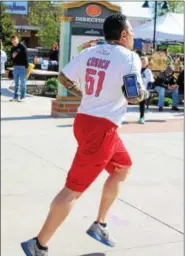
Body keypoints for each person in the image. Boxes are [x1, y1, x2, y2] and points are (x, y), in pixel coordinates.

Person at [21, 14, 146, 256]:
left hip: (85, 121)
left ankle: (100, 224)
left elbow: (63, 77)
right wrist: (140, 95)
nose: (133, 36)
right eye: (131, 33)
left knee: (123, 167)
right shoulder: (130, 58)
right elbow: (133, 95)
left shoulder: (91, 52)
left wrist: (85, 95)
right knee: (73, 189)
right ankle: (39, 244)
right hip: (103, 129)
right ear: (123, 35)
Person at [9, 35, 28, 102]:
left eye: (15, 39)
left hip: (22, 67)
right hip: (15, 67)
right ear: (11, 41)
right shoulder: (12, 48)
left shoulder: (22, 46)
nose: (14, 41)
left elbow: (26, 57)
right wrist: (13, 56)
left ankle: (23, 97)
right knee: (16, 83)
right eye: (12, 40)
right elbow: (11, 58)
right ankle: (15, 96)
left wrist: (27, 67)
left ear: (17, 39)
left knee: (23, 83)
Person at [139, 56, 154, 124]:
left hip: (143, 90)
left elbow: (150, 82)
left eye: (145, 61)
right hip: (135, 89)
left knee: (142, 103)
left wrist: (147, 90)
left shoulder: (148, 71)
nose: (143, 62)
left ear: (147, 63)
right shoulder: (136, 69)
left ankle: (142, 117)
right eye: (142, 61)